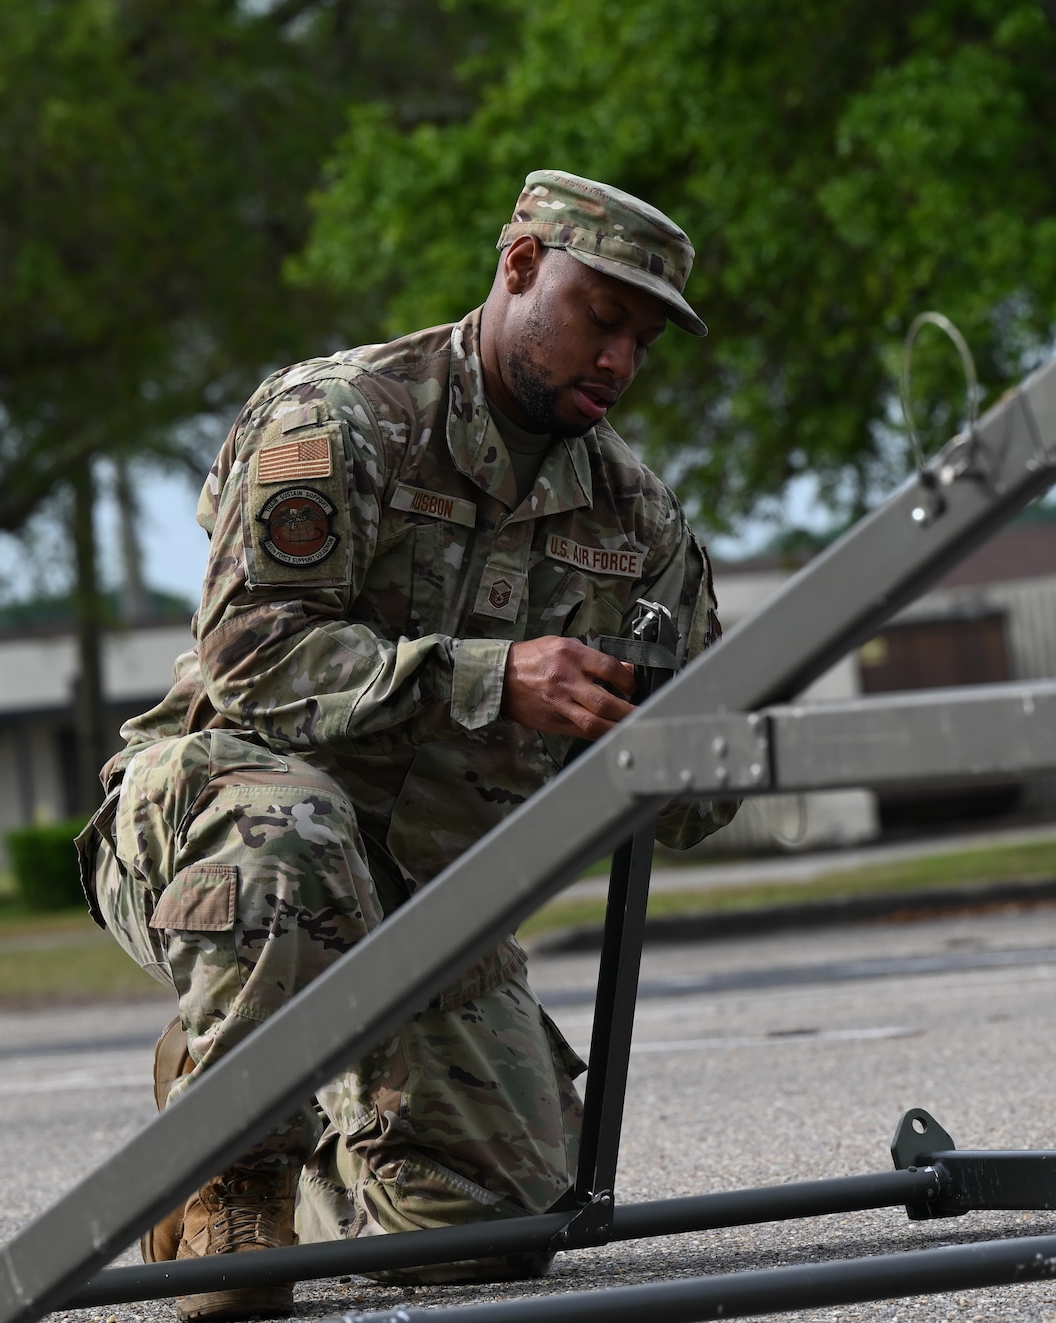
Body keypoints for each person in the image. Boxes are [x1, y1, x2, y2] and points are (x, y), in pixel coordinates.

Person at [79, 169, 737, 1321]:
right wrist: (492, 677)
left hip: (420, 900)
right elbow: (252, 658)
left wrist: (653, 746)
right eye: (600, 316)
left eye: (640, 340)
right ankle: (230, 1178)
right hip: (211, 824)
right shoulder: (339, 416)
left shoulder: (636, 520)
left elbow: (688, 801)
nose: (619, 362)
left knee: (492, 1233)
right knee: (295, 825)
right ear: (521, 265)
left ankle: (288, 1106)